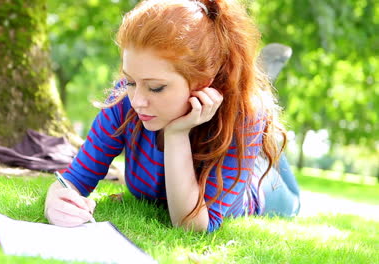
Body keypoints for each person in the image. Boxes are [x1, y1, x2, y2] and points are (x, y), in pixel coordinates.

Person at [44, 0, 300, 232]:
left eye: (156, 87)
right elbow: (73, 180)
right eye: (131, 81)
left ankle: (264, 111)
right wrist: (56, 201)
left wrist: (177, 134)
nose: (138, 101)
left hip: (260, 190)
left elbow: (192, 225)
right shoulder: (125, 99)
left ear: (203, 82)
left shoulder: (244, 119)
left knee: (273, 151)